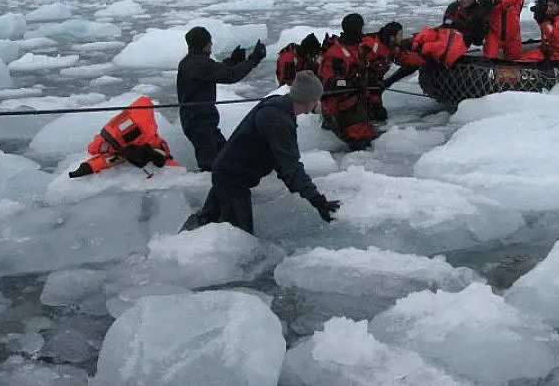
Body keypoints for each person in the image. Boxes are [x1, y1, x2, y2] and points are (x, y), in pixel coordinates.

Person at [180, 71, 340, 235]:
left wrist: (296, 185)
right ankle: (180, 247)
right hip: (233, 181)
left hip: (227, 174)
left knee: (205, 222)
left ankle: (181, 243)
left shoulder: (277, 108)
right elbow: (291, 166)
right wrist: (318, 201)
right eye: (317, 99)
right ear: (310, 100)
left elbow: (281, 160)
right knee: (242, 239)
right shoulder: (278, 119)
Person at [177, 26, 266, 172]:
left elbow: (216, 71)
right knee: (211, 166)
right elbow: (231, 76)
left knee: (225, 158)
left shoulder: (190, 62)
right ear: (204, 44)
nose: (211, 45)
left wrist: (232, 61)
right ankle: (213, 190)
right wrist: (253, 59)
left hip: (200, 121)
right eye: (209, 42)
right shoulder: (200, 63)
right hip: (200, 123)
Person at [318, 13, 379, 150]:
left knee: (372, 137)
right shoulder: (336, 54)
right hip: (339, 108)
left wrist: (372, 82)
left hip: (356, 105)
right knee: (361, 144)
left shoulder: (357, 48)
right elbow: (329, 84)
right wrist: (351, 84)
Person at [358, 21, 424, 121]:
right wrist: (368, 83)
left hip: (375, 85)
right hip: (361, 86)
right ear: (392, 37)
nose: (402, 37)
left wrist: (425, 60)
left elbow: (406, 59)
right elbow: (356, 67)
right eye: (400, 35)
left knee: (380, 115)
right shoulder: (369, 45)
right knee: (365, 117)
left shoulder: (392, 48)